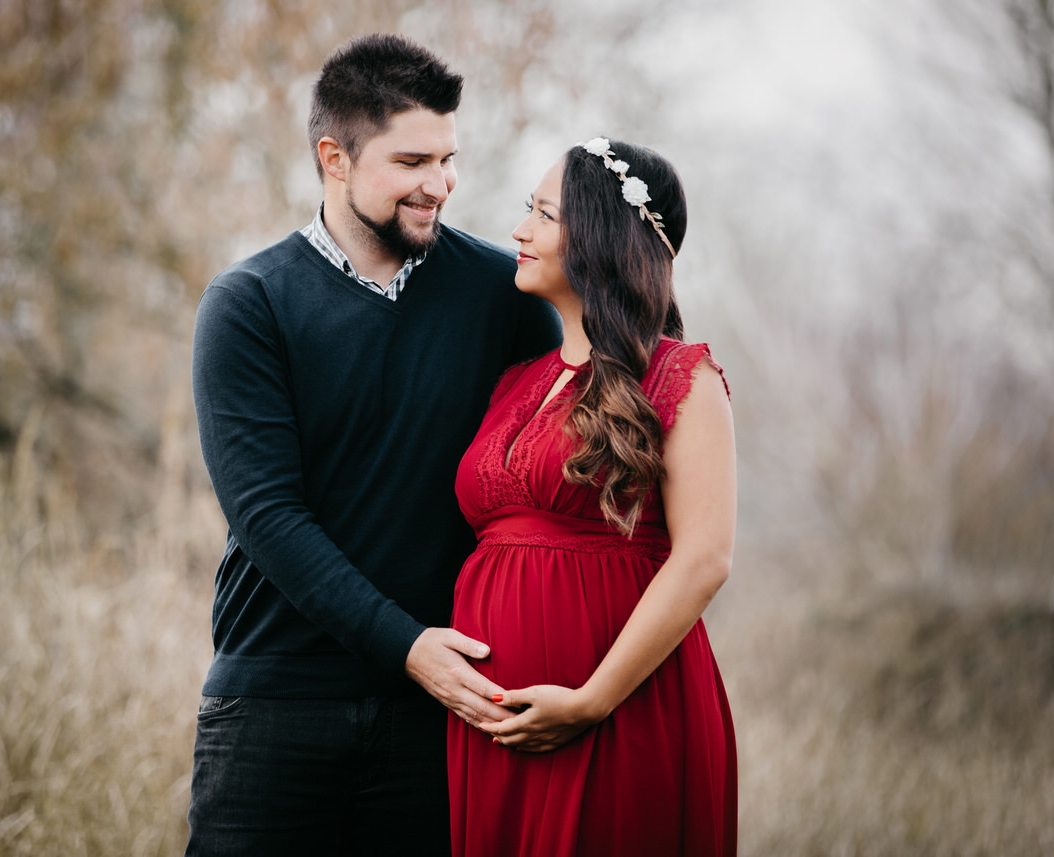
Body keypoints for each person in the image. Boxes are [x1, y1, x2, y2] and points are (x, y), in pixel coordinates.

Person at [185, 34, 561, 856]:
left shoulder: (504, 299)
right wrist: (409, 648)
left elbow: (559, 472)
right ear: (336, 157)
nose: (440, 184)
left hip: (441, 719)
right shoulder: (248, 307)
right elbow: (269, 517)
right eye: (413, 160)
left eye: (449, 158)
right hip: (275, 703)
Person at [447, 137, 738, 856]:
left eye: (543, 215)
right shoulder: (516, 378)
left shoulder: (681, 377)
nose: (520, 230)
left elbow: (705, 558)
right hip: (493, 727)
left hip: (619, 713)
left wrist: (589, 701)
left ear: (599, 239)